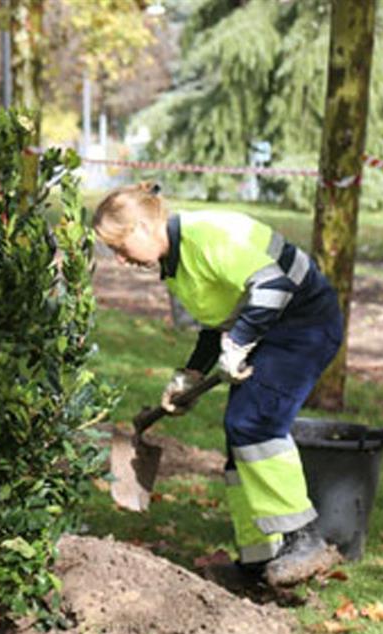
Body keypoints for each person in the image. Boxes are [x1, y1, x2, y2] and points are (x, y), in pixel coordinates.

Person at [92, 181, 343, 588]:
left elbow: (273, 286)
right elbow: (218, 322)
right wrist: (190, 374)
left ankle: (306, 539)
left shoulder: (206, 236)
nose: (120, 261)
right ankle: (257, 565)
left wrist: (240, 341)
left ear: (142, 227)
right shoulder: (175, 265)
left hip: (304, 324)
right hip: (272, 330)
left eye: (120, 248)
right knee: (241, 441)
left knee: (255, 426)